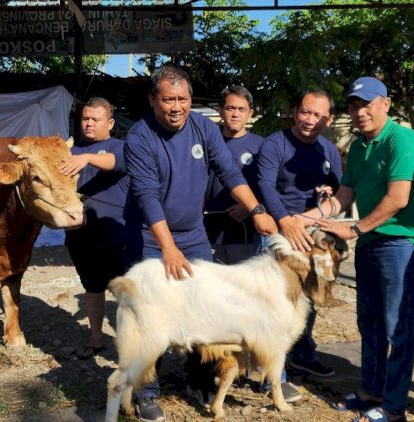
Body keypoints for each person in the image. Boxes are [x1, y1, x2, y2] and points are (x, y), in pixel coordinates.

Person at [123, 64, 277, 422]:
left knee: (199, 309)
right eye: (168, 99)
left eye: (183, 99)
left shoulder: (203, 127)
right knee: (152, 315)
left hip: (193, 235)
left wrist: (256, 209)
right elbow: (146, 196)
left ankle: (198, 379)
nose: (176, 107)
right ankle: (145, 391)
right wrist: (167, 248)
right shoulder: (140, 138)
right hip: (150, 236)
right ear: (153, 100)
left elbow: (229, 171)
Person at [306, 76, 414, 422]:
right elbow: (343, 197)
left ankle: (393, 408)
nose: (361, 112)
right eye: (355, 105)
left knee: (396, 326)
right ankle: (371, 391)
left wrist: (355, 227)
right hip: (372, 243)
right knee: (369, 322)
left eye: (368, 103)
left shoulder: (401, 139)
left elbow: (398, 198)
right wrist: (307, 218)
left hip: (400, 242)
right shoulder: (359, 148)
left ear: (386, 104)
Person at [255, 89, 341, 396]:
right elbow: (264, 185)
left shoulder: (328, 150)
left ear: (328, 119)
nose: (310, 120)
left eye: (318, 115)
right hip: (281, 231)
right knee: (278, 303)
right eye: (306, 112)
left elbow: (338, 188)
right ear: (295, 111)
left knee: (314, 296)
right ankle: (270, 374)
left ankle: (303, 353)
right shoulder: (275, 143)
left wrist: (329, 192)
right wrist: (286, 221)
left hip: (314, 233)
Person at [58, 97, 128, 360]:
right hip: (79, 235)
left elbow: (115, 162)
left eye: (94, 119)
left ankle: (129, 344)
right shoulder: (69, 151)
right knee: (92, 287)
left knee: (125, 291)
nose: (88, 124)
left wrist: (87, 157)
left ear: (109, 122)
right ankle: (96, 337)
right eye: (85, 118)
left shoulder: (122, 146)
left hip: (116, 234)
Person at [204, 86, 265, 264]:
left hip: (246, 231)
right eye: (230, 108)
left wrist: (249, 207)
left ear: (250, 113)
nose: (236, 114)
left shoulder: (261, 146)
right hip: (209, 228)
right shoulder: (207, 144)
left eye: (241, 109)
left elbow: (271, 186)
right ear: (220, 110)